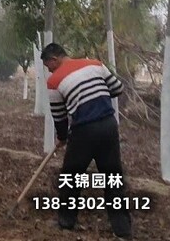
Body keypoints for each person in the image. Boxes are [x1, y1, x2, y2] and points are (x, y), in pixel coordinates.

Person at [41, 42, 132, 239]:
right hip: (108, 126)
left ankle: (66, 222)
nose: (48, 71)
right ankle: (123, 229)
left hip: (84, 131)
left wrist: (63, 137)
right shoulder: (95, 64)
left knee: (70, 178)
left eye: (48, 66)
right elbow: (117, 88)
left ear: (54, 59)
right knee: (113, 177)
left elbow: (59, 116)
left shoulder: (54, 81)